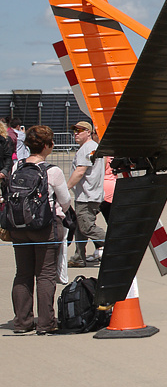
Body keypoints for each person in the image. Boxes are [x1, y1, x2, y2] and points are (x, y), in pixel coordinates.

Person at [9, 125, 71, 334]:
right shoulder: (52, 171)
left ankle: (22, 322)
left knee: (23, 274)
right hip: (45, 227)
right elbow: (65, 201)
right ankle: (46, 323)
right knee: (45, 275)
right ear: (47, 146)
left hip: (19, 227)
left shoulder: (16, 167)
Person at [66, 121, 105, 268]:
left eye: (80, 131)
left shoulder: (88, 148)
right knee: (80, 228)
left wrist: (65, 187)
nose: (76, 133)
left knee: (86, 227)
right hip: (88, 195)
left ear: (88, 132)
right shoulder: (90, 147)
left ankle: (115, 245)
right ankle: (78, 257)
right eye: (75, 131)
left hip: (87, 196)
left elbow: (80, 171)